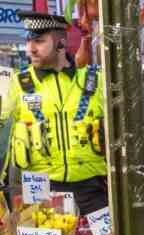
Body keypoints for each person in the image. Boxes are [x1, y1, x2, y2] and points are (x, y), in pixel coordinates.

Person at [10, 11, 107, 215]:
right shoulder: (17, 84)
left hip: (93, 190)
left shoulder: (96, 80)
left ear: (61, 43)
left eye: (39, 42)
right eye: (28, 42)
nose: (30, 49)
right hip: (40, 189)